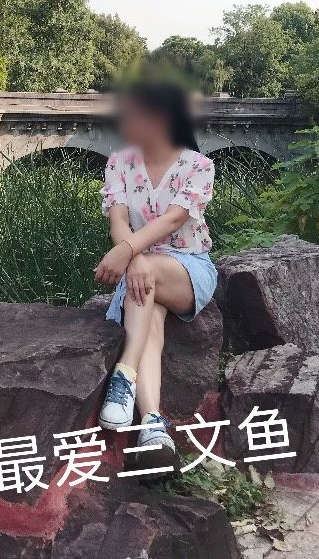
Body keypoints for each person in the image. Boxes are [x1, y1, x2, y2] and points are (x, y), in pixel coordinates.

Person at [94, 77, 217, 466]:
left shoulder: (199, 166)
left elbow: (172, 220)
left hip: (187, 267)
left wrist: (130, 254)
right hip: (141, 269)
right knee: (148, 310)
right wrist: (135, 257)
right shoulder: (119, 163)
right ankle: (152, 424)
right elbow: (118, 221)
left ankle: (124, 373)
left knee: (144, 281)